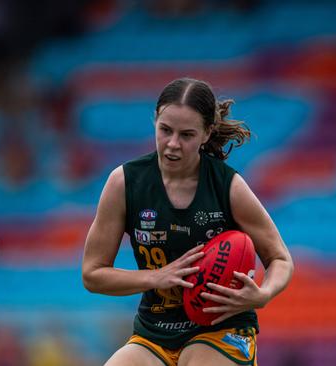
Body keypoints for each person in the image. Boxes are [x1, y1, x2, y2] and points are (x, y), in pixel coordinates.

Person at [81, 77, 294, 366]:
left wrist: (263, 294)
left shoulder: (227, 186)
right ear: (154, 119)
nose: (172, 144)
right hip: (155, 332)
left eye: (187, 135)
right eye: (165, 130)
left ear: (207, 133)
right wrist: (155, 277)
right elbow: (92, 274)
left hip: (221, 326)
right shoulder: (124, 183)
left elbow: (280, 258)